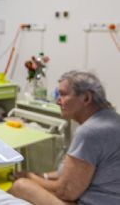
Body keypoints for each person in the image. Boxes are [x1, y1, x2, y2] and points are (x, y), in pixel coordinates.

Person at [9, 71, 120, 205]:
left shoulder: (90, 132)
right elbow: (72, 174)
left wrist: (30, 177)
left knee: (21, 186)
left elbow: (66, 191)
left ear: (86, 98)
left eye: (63, 94)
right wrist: (42, 176)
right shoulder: (112, 119)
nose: (57, 100)